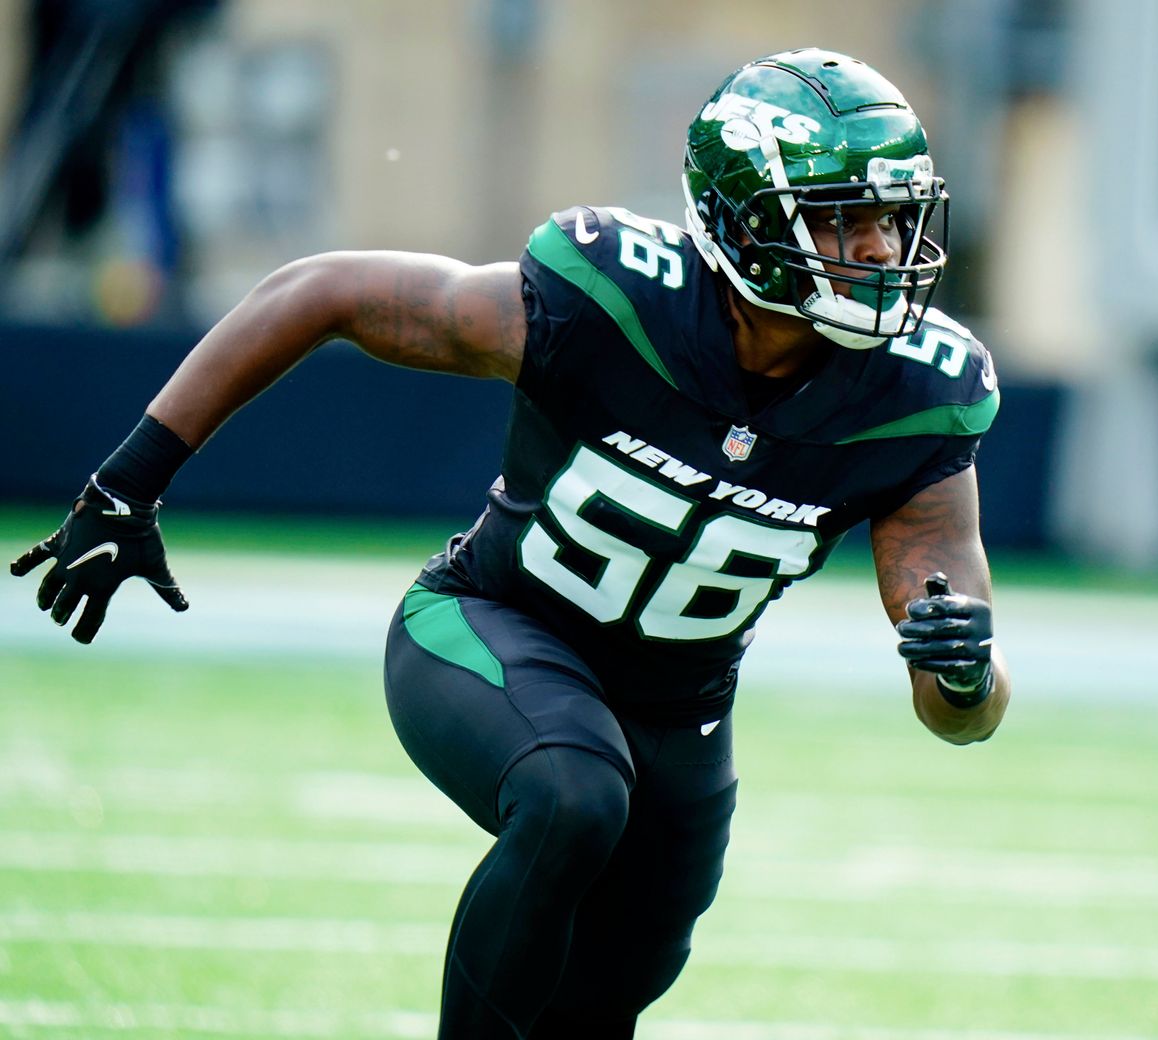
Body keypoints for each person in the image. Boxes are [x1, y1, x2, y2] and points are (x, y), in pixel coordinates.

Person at [10, 48, 1011, 1038]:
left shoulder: (916, 396)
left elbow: (959, 706)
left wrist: (967, 673)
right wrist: (126, 483)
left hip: (682, 718)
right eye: (846, 215)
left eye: (892, 213)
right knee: (571, 792)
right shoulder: (614, 299)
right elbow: (319, 291)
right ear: (743, 219)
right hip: (491, 625)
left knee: (607, 988)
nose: (883, 247)